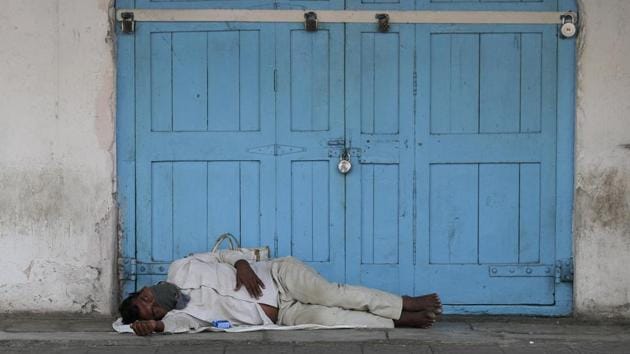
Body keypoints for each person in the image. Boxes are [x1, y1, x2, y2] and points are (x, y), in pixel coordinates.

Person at [119, 250, 442, 336]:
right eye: (151, 310)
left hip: (278, 276)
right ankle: (396, 323)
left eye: (145, 297)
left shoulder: (180, 267)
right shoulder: (183, 315)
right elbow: (179, 327)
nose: (152, 302)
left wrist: (243, 264)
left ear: (144, 289)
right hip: (281, 315)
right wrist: (157, 327)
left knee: (329, 294)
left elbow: (222, 255)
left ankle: (404, 303)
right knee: (331, 319)